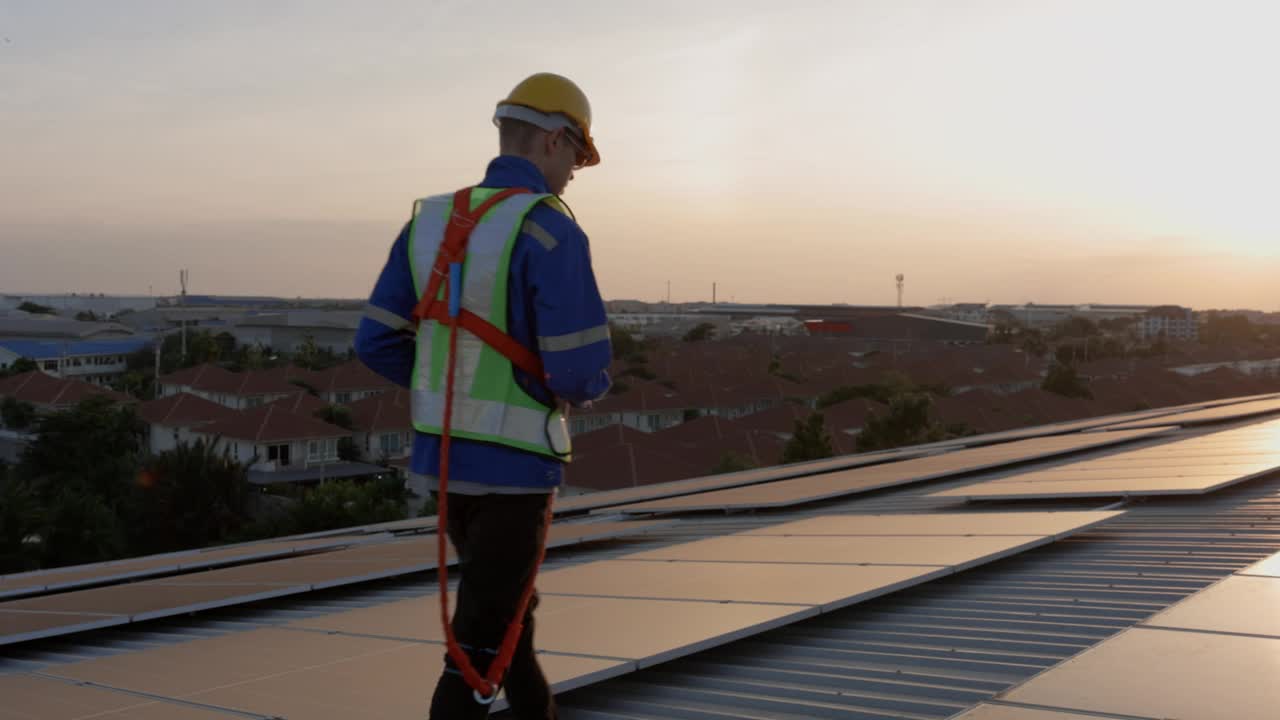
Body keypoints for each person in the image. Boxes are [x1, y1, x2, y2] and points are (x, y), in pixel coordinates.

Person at [354, 72, 612, 719]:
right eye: (577, 158)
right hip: (517, 474)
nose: (575, 174)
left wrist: (450, 385)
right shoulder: (551, 232)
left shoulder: (431, 223)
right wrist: (562, 390)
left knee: (507, 617)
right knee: (479, 650)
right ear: (554, 140)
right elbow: (579, 371)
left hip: (447, 473)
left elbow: (376, 342)